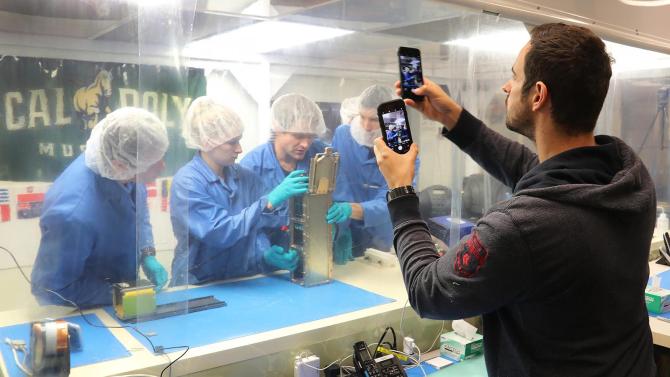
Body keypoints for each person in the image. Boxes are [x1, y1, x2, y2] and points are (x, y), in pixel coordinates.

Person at [373, 23, 655, 376]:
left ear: (538, 95)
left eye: (514, 77)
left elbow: (428, 290)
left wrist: (400, 191)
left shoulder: (520, 226)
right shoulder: (629, 178)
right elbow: (532, 170)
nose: (506, 86)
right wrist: (454, 119)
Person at [31, 107, 170, 308]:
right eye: (153, 163)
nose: (163, 167)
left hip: (121, 296)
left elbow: (139, 215)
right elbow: (51, 289)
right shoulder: (72, 214)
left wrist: (147, 252)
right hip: (87, 311)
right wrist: (120, 293)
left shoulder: (124, 168)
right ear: (121, 165)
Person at [170, 97, 305, 285]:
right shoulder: (188, 182)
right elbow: (219, 232)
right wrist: (267, 202)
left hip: (239, 279)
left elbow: (262, 225)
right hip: (196, 284)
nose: (239, 149)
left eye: (239, 141)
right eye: (232, 143)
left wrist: (265, 254)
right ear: (207, 141)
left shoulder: (245, 177)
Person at [240, 93, 327, 250]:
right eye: (298, 136)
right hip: (267, 260)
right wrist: (265, 253)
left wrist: (338, 227)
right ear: (278, 128)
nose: (306, 144)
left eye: (311, 137)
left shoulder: (319, 154)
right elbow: (244, 224)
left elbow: (335, 197)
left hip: (311, 252)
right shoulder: (251, 167)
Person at [328, 85, 399, 260]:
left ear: (389, 120)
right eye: (362, 117)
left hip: (380, 237)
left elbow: (393, 203)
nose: (366, 126)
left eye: (374, 119)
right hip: (344, 228)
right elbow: (335, 181)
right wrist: (341, 227)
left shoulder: (402, 151)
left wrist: (352, 210)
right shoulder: (343, 135)